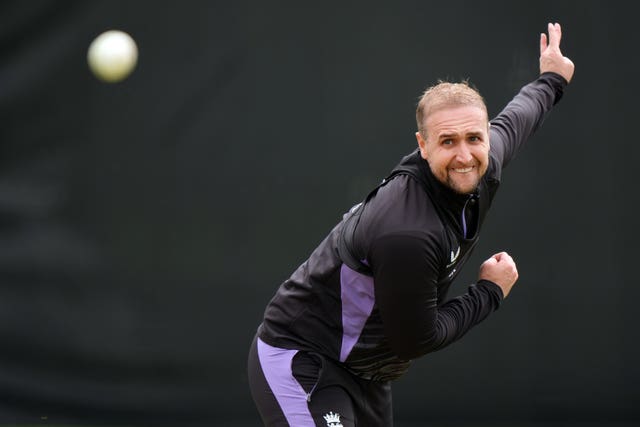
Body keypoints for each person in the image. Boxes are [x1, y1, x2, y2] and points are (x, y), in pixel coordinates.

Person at [248, 22, 575, 427]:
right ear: (422, 146)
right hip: (305, 359)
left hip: (368, 371)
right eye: (447, 142)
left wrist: (552, 79)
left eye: (475, 138)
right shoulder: (408, 231)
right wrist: (489, 292)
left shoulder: (482, 163)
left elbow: (518, 118)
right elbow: (418, 338)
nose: (464, 154)